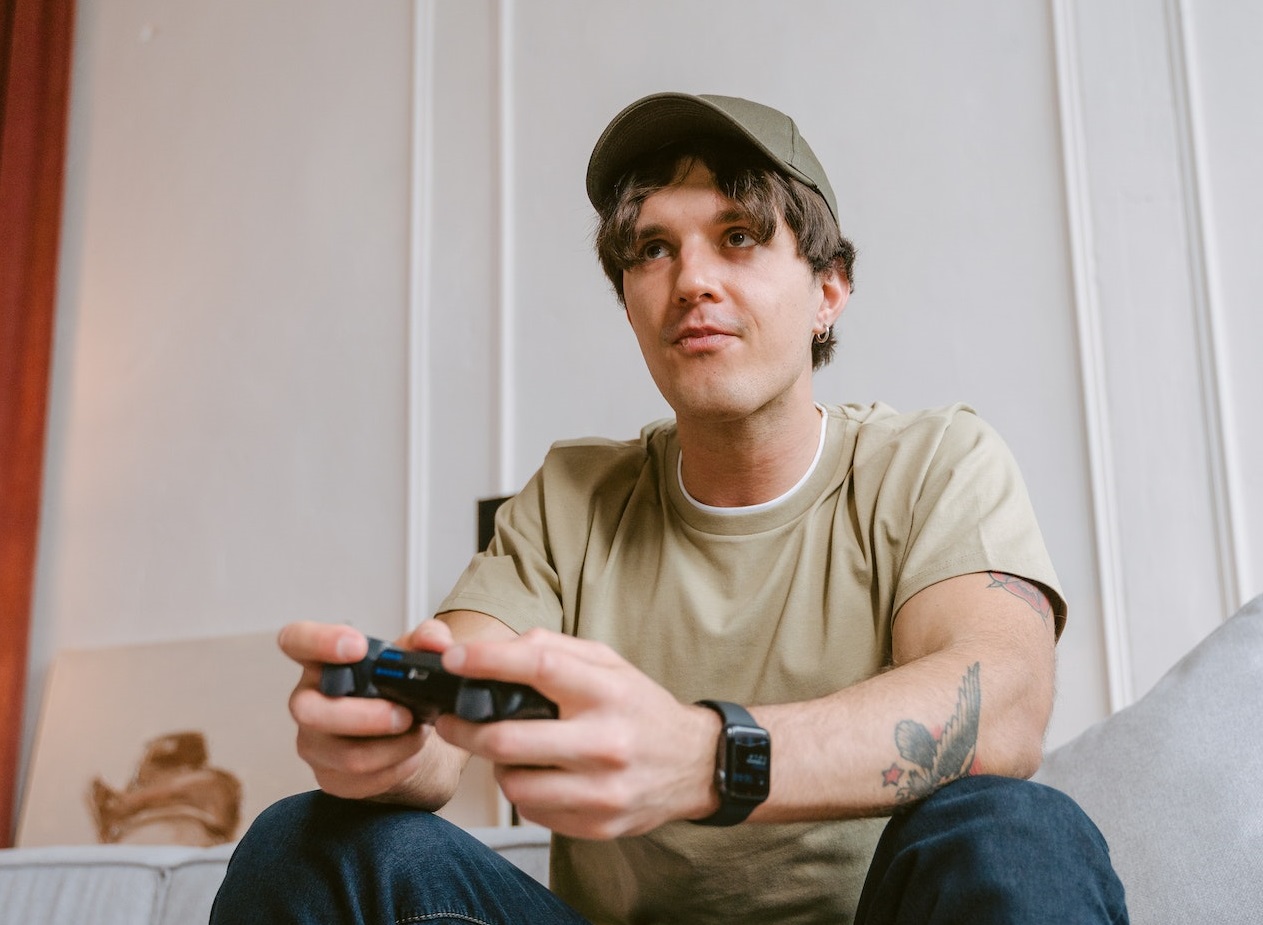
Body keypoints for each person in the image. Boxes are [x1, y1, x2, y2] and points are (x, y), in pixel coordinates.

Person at [211, 92, 1128, 924]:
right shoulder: (569, 498)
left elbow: (999, 708)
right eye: (654, 248)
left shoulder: (932, 461)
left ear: (828, 290)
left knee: (1015, 828)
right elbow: (448, 737)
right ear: (628, 300)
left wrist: (704, 757)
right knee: (309, 838)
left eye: (737, 236)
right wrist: (385, 748)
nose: (691, 279)